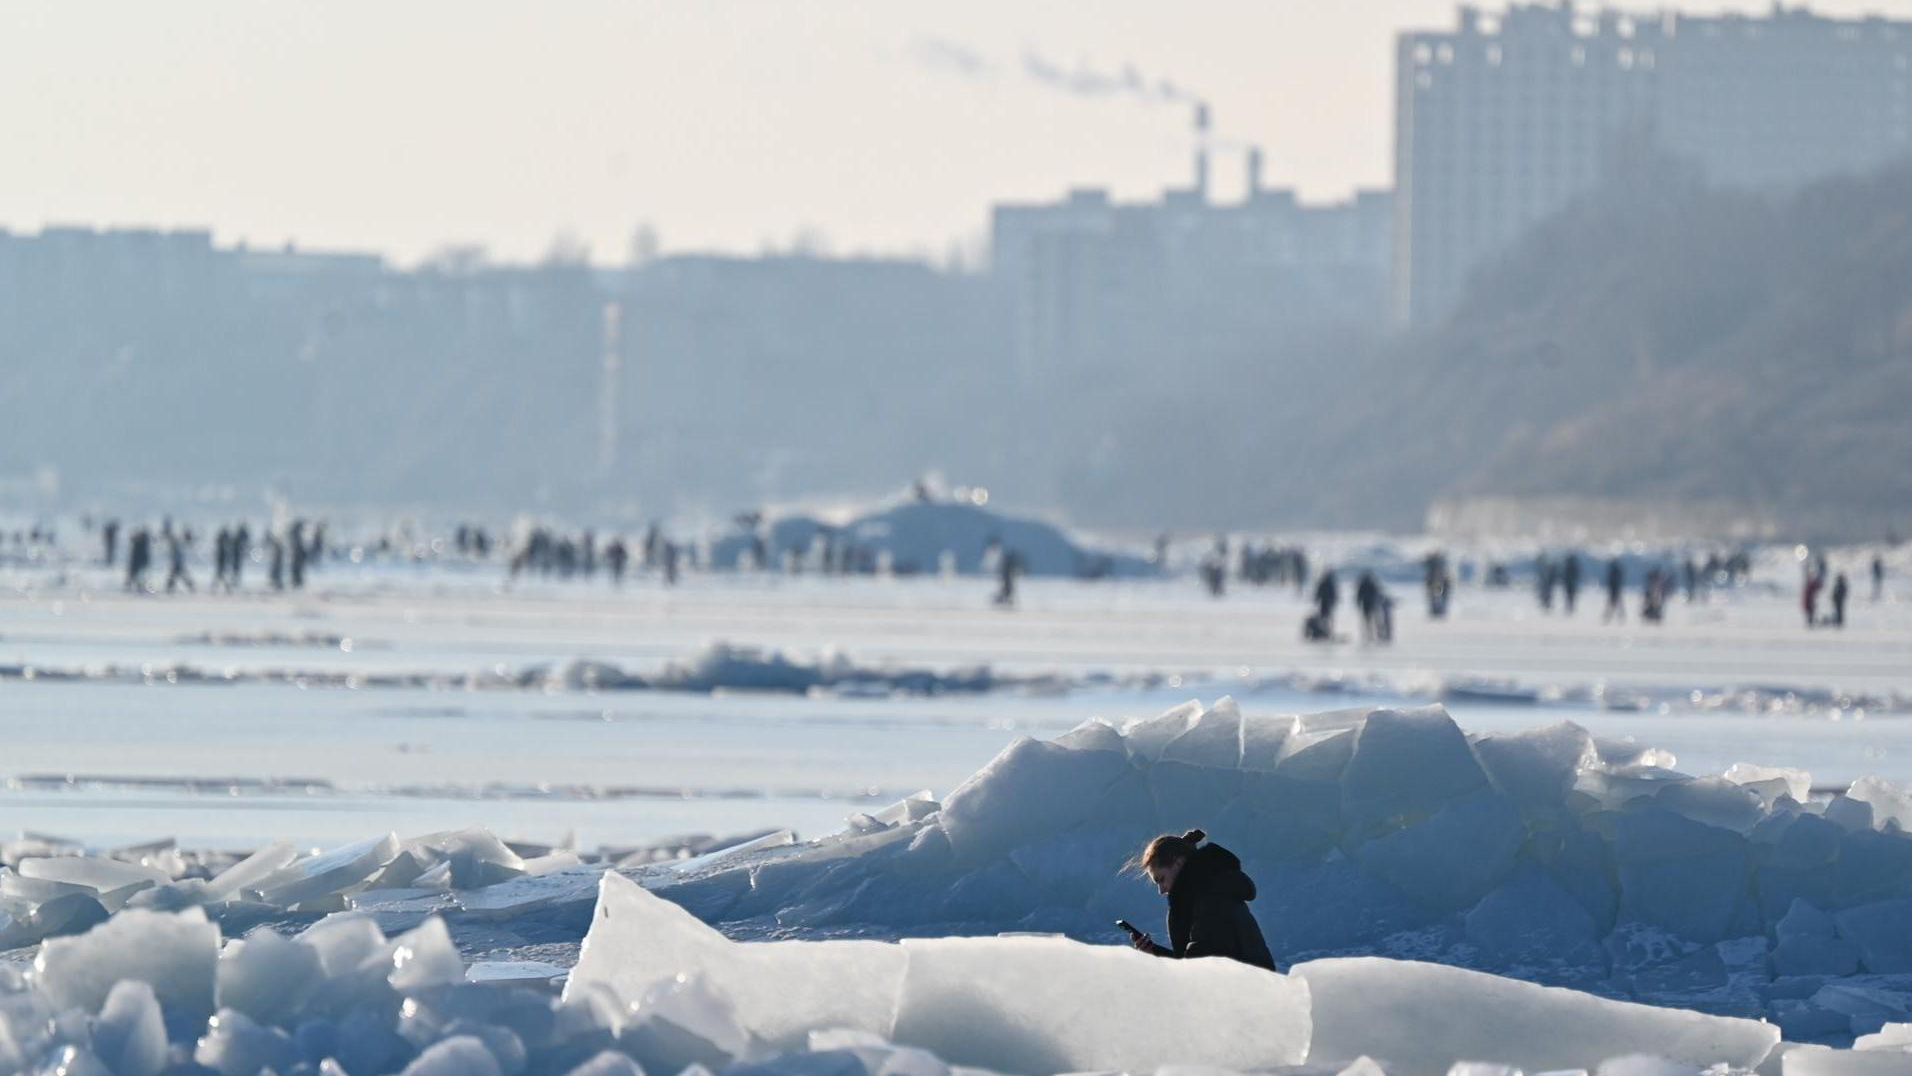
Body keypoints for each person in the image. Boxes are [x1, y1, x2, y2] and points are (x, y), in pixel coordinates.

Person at [1125, 829, 1276, 972]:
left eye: (1161, 879)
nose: (1161, 890)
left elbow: (1197, 971)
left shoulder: (1210, 901)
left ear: (1177, 863)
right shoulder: (1211, 892)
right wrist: (1154, 952)